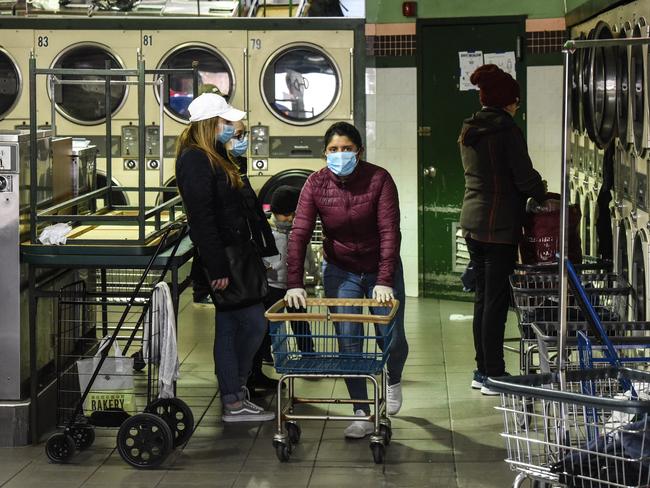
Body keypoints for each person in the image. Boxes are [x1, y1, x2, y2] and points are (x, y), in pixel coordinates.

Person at [285, 121, 408, 439]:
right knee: (349, 341)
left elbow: (389, 231)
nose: (340, 155)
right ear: (325, 153)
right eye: (333, 150)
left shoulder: (379, 179)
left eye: (347, 149)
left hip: (382, 266)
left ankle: (393, 378)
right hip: (341, 270)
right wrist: (294, 282)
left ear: (359, 151)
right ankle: (361, 411)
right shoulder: (315, 183)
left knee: (390, 336)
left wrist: (384, 278)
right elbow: (299, 232)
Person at [175, 93, 277, 422]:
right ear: (211, 123)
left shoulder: (215, 155)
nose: (232, 127)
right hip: (224, 259)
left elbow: (239, 207)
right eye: (226, 122)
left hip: (237, 254)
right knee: (249, 322)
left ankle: (235, 394)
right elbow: (202, 218)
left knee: (235, 325)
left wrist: (263, 249)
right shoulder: (195, 160)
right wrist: (216, 266)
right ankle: (234, 395)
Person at [458, 64, 548, 396]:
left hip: (473, 222)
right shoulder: (505, 129)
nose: (517, 105)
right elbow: (524, 177)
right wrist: (542, 192)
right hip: (498, 227)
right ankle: (494, 373)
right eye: (515, 99)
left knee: (484, 299)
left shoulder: (471, 127)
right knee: (495, 301)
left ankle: (482, 370)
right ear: (507, 100)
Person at [248, 186, 316, 393]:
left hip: (294, 287)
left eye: (291, 214)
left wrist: (312, 272)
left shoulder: (299, 231)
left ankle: (309, 355)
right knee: (267, 324)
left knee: (300, 322)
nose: (287, 218)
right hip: (272, 286)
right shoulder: (266, 231)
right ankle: (265, 354)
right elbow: (260, 257)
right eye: (283, 214)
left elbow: (308, 255)